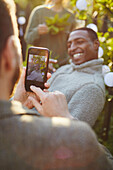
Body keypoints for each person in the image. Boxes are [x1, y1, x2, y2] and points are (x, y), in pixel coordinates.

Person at [0, 0, 113, 169]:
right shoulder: (65, 68)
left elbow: (70, 144)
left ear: (96, 44)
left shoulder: (92, 87)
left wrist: (17, 106)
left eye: (79, 41)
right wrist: (20, 102)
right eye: (69, 44)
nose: (73, 47)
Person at [24, 0, 76, 67]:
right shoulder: (39, 12)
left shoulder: (70, 16)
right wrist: (37, 31)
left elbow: (72, 43)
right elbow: (28, 39)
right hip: (40, 62)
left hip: (62, 63)